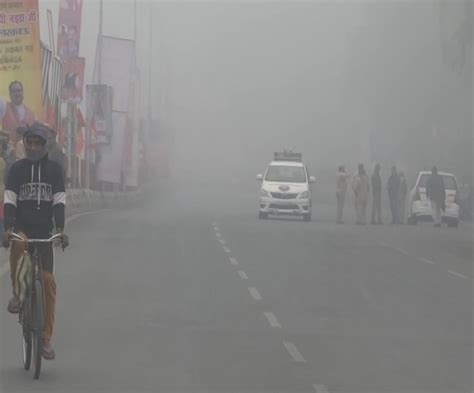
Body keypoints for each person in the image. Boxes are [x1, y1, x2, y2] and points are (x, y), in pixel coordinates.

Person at [3, 122, 69, 360]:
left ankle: (45, 339)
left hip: (44, 234)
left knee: (48, 283)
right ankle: (17, 294)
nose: (32, 146)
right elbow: (9, 201)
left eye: (37, 143)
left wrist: (60, 230)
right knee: (17, 242)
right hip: (23, 229)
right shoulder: (16, 170)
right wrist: (7, 228)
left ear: (44, 145)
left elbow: (59, 203)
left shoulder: (54, 171)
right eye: (29, 142)